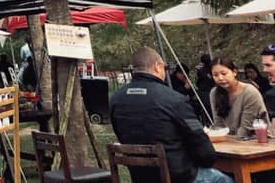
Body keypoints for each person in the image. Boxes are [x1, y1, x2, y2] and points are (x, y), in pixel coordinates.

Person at [111, 47, 230, 183]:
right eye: (164, 68)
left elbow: (120, 135)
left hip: (140, 177)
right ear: (157, 66)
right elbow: (202, 146)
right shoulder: (173, 99)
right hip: (180, 176)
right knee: (228, 179)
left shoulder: (116, 99)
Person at [209, 57, 269, 138]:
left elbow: (245, 129)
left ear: (234, 72)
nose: (220, 78)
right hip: (229, 140)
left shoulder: (249, 92)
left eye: (224, 73)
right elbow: (219, 124)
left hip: (256, 139)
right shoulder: (214, 93)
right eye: (215, 75)